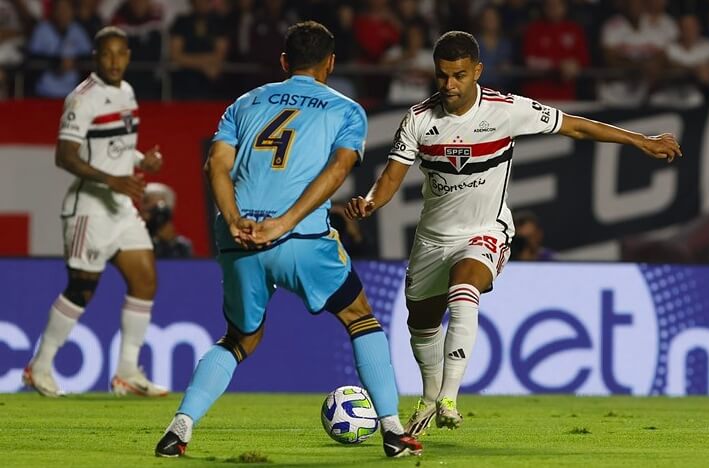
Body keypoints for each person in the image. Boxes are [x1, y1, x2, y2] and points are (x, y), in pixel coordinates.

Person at [345, 31, 682, 436]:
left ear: (477, 72)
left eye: (459, 75)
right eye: (442, 76)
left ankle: (450, 398)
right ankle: (431, 395)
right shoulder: (419, 119)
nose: (449, 85)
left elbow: (575, 127)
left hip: (486, 230)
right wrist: (368, 202)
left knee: (464, 286)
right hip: (433, 239)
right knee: (421, 323)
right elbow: (391, 177)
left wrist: (640, 141)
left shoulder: (506, 110)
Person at [154, 21, 422, 459]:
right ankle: (392, 431)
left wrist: (236, 218)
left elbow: (214, 168)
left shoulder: (244, 103)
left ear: (284, 62)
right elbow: (337, 171)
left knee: (239, 339)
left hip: (238, 236)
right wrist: (283, 223)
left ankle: (178, 429)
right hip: (298, 237)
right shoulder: (346, 110)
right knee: (360, 317)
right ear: (331, 63)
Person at [23, 26, 167, 398]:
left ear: (129, 56)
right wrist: (113, 181)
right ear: (95, 57)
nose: (115, 61)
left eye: (121, 53)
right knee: (82, 289)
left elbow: (114, 147)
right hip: (89, 208)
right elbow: (65, 156)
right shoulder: (82, 98)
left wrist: (141, 161)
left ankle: (127, 373)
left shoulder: (127, 92)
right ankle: (39, 367)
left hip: (120, 207)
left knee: (146, 279)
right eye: (107, 54)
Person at [140, 182, 193, 258]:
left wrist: (170, 243)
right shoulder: (131, 238)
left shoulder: (181, 246)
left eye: (157, 212)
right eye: (147, 209)